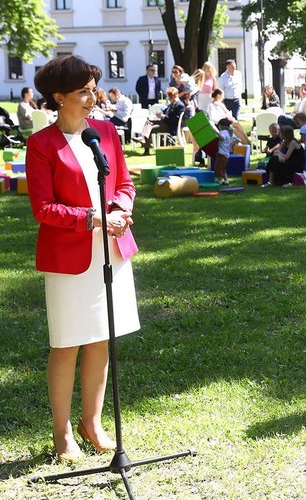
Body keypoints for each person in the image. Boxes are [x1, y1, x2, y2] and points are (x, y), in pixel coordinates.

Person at [26, 54, 139, 462]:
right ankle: (63, 432)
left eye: (94, 89)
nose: (93, 98)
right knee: (68, 343)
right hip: (69, 256)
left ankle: (93, 422)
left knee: (100, 339)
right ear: (58, 97)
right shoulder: (41, 145)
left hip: (113, 249)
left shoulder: (107, 132)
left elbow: (124, 182)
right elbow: (43, 208)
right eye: (83, 92)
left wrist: (122, 209)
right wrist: (93, 218)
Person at [135, 86, 187, 155]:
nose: (169, 99)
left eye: (170, 97)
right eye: (169, 97)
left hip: (171, 126)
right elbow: (165, 111)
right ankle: (143, 138)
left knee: (152, 129)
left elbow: (175, 120)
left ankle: (146, 149)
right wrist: (160, 114)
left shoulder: (180, 105)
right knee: (148, 122)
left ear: (176, 95)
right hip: (165, 123)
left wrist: (163, 116)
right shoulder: (171, 104)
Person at [214, 118, 233, 185]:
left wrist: (216, 132)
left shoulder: (222, 132)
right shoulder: (228, 133)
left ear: (220, 126)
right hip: (226, 154)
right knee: (223, 168)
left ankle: (219, 181)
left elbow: (222, 138)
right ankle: (226, 180)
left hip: (222, 153)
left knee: (219, 168)